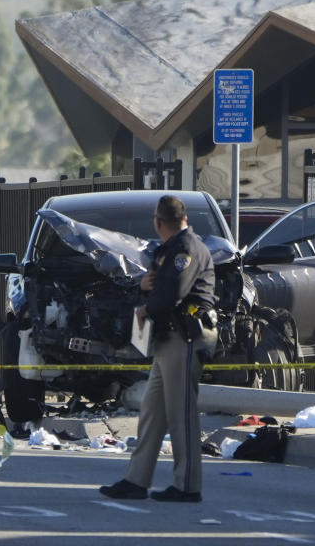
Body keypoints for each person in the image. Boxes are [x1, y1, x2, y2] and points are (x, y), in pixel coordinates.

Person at [100, 195, 217, 502]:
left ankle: (188, 486)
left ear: (158, 222)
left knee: (182, 414)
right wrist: (144, 287)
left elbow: (174, 293)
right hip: (168, 340)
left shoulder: (186, 250)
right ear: (185, 218)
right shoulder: (171, 250)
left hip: (186, 337)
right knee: (152, 413)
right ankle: (136, 481)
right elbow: (162, 285)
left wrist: (145, 309)